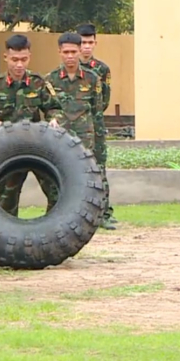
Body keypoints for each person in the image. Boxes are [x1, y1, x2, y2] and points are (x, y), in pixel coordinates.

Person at [0, 34, 64, 217]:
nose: (19, 65)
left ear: (29, 57)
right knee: (6, 200)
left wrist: (53, 119)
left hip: (37, 147)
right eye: (14, 60)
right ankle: (8, 237)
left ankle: (51, 232)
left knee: (58, 192)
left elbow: (54, 108)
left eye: (24, 59)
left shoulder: (38, 82)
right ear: (6, 57)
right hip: (9, 151)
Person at [46, 32, 115, 230]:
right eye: (66, 52)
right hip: (61, 135)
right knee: (58, 173)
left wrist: (99, 137)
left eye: (73, 52)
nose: (70, 56)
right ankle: (55, 215)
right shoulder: (50, 80)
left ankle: (98, 216)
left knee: (91, 174)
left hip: (86, 133)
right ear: (59, 52)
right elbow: (47, 108)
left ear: (79, 52)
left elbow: (97, 109)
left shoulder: (93, 79)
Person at [75, 23, 118, 226]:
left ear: (95, 43)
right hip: (74, 126)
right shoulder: (70, 69)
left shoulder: (101, 69)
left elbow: (104, 100)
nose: (86, 47)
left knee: (99, 168)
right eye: (83, 43)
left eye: (90, 42)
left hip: (96, 125)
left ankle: (103, 213)